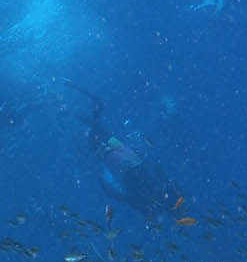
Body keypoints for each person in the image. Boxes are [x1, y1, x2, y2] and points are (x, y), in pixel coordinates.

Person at [75, 88, 181, 218]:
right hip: (123, 166)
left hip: (133, 159)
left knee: (105, 137)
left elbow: (159, 174)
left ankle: (94, 118)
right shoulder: (147, 204)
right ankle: (93, 118)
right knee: (97, 146)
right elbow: (119, 196)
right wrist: (103, 184)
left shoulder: (158, 194)